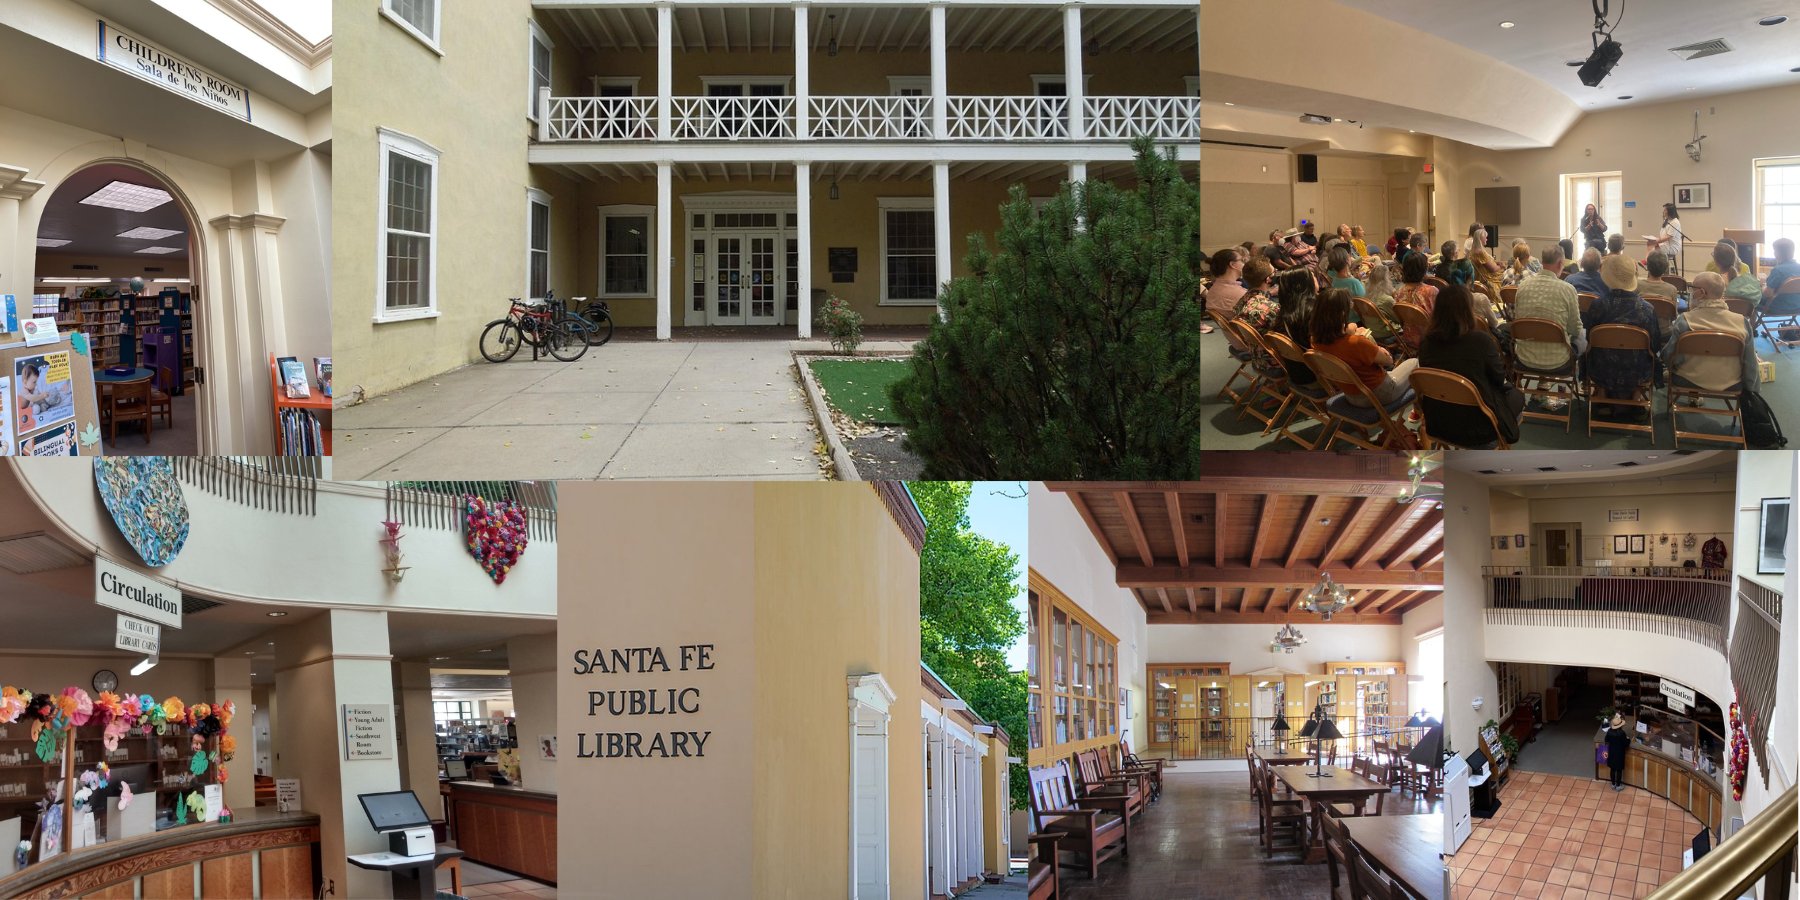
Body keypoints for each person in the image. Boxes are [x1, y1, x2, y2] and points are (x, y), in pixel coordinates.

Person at [1417, 284, 1524, 445]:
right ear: (1468, 310)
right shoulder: (1481, 341)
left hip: (1439, 421)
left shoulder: (1426, 343)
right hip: (1479, 426)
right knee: (1517, 396)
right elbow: (1498, 378)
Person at [1583, 254, 1662, 419]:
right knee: (1646, 355)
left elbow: (1589, 339)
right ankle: (1636, 398)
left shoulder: (1598, 305)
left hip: (1602, 368)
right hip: (1637, 370)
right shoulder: (1647, 309)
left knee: (1597, 352)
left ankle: (1602, 397)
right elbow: (1655, 345)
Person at [1311, 287, 1419, 407]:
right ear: (1342, 313)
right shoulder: (1356, 343)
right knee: (1415, 362)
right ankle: (1419, 411)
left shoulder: (1315, 341)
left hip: (1352, 396)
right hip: (1381, 394)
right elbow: (1389, 360)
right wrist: (1367, 340)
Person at [1663, 272, 1758, 397]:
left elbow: (1670, 356)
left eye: (1693, 289)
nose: (1690, 292)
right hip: (1731, 382)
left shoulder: (1685, 321)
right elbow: (1750, 362)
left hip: (1687, 379)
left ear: (1702, 293)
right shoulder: (1742, 322)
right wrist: (1752, 391)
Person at [1513, 245, 1587, 371]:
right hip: (1558, 360)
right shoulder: (1568, 289)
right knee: (1582, 335)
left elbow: (1518, 318)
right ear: (1560, 264)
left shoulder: (1522, 286)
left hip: (1524, 357)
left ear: (1542, 262)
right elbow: (1575, 329)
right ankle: (1583, 381)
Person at [1272, 269, 1321, 386]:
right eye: (1313, 275)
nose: (1316, 278)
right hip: (1319, 375)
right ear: (1304, 283)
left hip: (1297, 373)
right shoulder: (1315, 310)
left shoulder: (1283, 311)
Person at [1394, 252, 1439, 346]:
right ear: (1424, 270)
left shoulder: (1399, 292)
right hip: (1429, 340)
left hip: (1408, 338)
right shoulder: (1431, 291)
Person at [1204, 247, 1247, 338]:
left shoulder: (1212, 290)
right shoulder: (1240, 294)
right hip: (1251, 344)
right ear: (1232, 264)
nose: (1244, 263)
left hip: (1236, 340)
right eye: (1242, 260)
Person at [1232, 257, 1281, 335]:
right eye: (1274, 272)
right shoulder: (1272, 308)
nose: (1276, 273)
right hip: (1270, 346)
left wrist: (1270, 293)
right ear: (1268, 279)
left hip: (1253, 343)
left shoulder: (1245, 298)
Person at [1363, 262, 1399, 342]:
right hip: (1384, 334)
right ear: (1386, 281)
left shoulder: (1366, 295)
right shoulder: (1387, 300)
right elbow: (1399, 319)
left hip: (1371, 331)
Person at [1765, 238, 1800, 313]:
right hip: (1797, 306)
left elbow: (1768, 294)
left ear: (1777, 253)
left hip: (1777, 306)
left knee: (1752, 298)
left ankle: (1751, 324)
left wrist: (1762, 286)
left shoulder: (1777, 270)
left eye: (1774, 251)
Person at [1646, 202, 1683, 269]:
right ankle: (1649, 264)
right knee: (1650, 243)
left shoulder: (1675, 222)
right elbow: (1663, 236)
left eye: (1665, 210)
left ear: (1670, 211)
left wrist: (1656, 241)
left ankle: (1649, 265)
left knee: (1654, 249)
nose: (1663, 211)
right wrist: (1654, 239)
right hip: (1665, 244)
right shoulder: (1666, 220)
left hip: (1672, 246)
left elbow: (1668, 237)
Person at [1605, 714, 1631, 791]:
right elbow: (1626, 744)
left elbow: (1606, 740)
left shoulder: (1609, 732)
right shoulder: (1622, 733)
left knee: (1612, 769)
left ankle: (1613, 784)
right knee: (1619, 769)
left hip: (1612, 752)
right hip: (1619, 753)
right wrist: (1628, 739)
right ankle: (1618, 785)